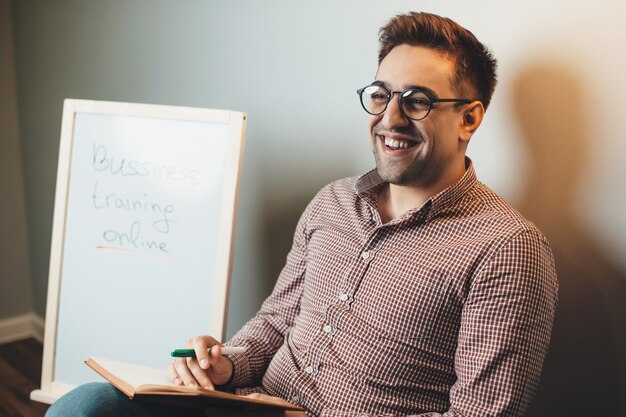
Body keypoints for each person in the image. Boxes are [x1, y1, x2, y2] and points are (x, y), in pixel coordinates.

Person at [46, 11, 558, 417]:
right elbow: (276, 321)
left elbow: (480, 412)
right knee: (84, 406)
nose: (390, 118)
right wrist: (226, 364)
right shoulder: (333, 201)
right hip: (243, 406)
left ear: (470, 117)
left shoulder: (506, 247)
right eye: (380, 96)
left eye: (417, 101)